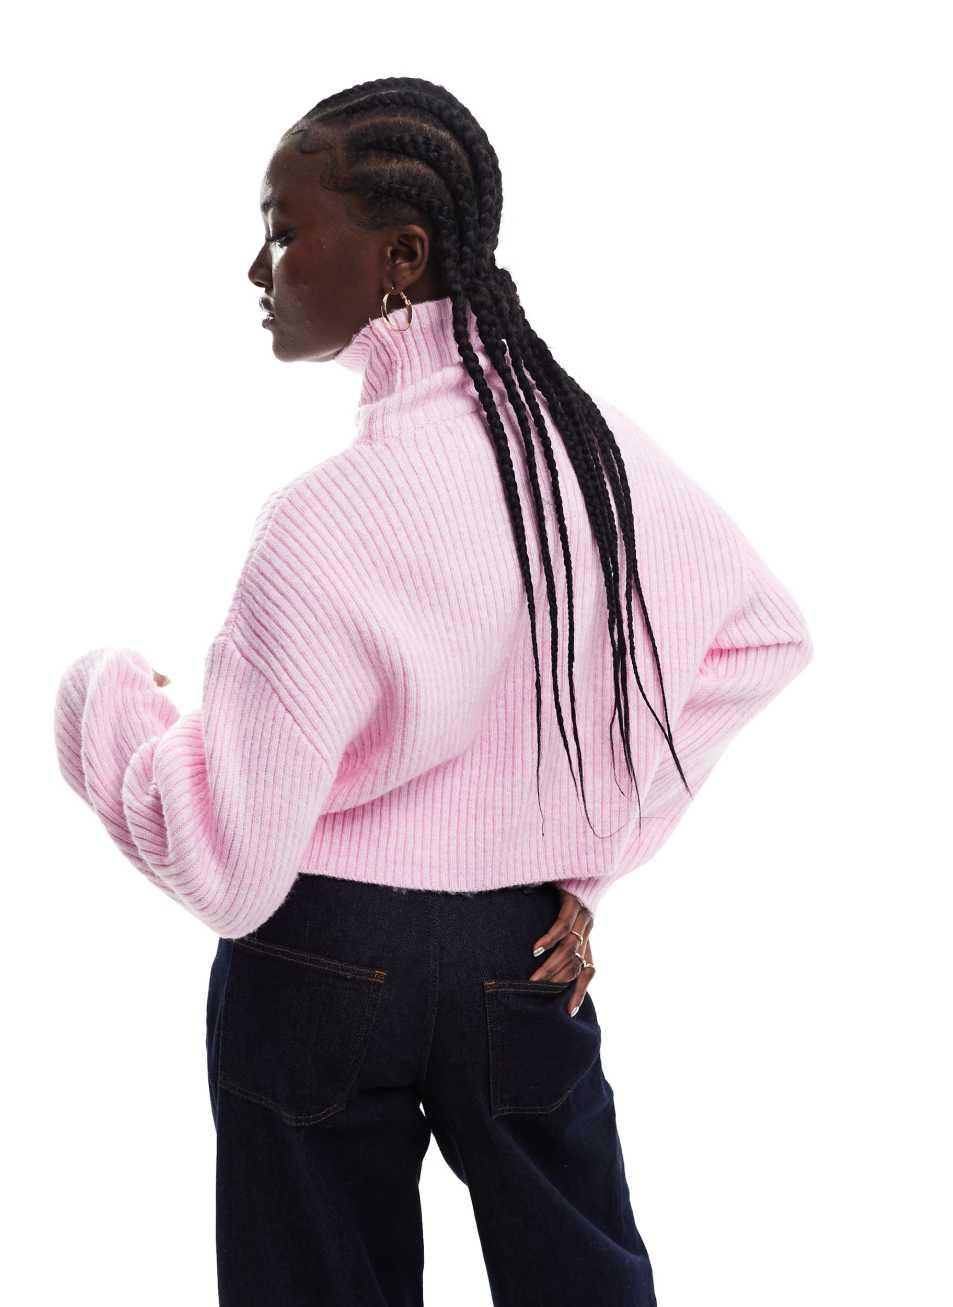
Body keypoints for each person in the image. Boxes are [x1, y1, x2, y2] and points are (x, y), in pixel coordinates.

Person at [54, 76, 813, 1307]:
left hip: (317, 952)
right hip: (519, 952)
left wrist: (104, 704)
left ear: (401, 256)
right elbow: (761, 638)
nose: (257, 269)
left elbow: (226, 863)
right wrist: (588, 857)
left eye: (284, 232)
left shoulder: (323, 521)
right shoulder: (593, 457)